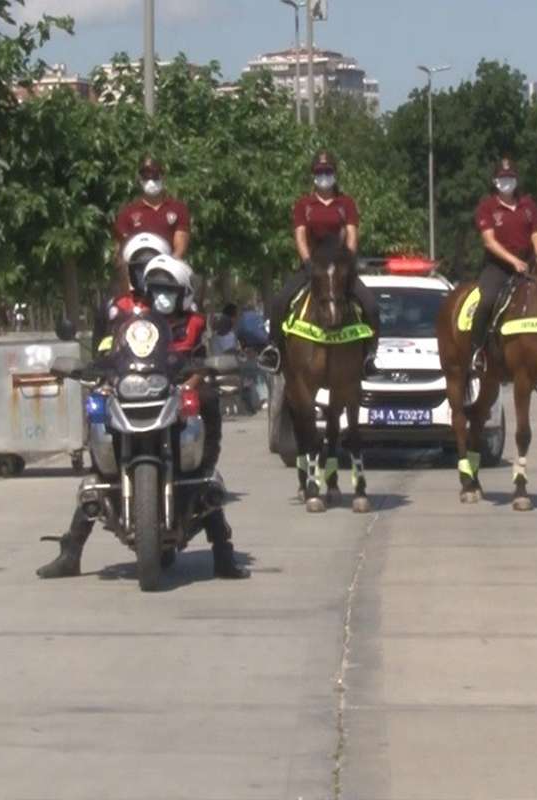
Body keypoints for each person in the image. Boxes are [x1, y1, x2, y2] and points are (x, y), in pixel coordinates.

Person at [38, 256, 249, 580]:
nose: (161, 295)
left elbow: (201, 359)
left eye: (169, 289)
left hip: (175, 389)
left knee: (203, 450)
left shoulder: (194, 322)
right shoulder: (133, 320)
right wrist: (100, 373)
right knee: (97, 437)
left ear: (184, 292)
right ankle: (71, 552)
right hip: (133, 390)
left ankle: (223, 551)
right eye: (156, 289)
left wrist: (197, 375)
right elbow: (112, 352)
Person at [259, 150, 379, 373]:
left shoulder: (346, 204)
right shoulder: (304, 204)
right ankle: (273, 349)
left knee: (370, 305)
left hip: (340, 269)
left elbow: (352, 234)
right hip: (313, 267)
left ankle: (369, 355)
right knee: (280, 301)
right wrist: (307, 261)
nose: (324, 175)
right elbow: (300, 235)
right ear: (313, 174)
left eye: (328, 171)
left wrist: (348, 261)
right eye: (320, 171)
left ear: (335, 174)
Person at [469, 158, 537, 375]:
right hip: (498, 267)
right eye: (502, 178)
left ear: (517, 180)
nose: (507, 182)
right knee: (486, 302)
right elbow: (489, 241)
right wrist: (514, 262)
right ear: (495, 181)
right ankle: (477, 351)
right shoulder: (487, 207)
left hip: (528, 265)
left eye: (510, 178)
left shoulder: (529, 205)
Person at [113, 155, 190, 293]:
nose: (151, 181)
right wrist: (127, 285)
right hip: (137, 278)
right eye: (146, 176)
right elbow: (120, 253)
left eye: (155, 176)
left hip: (167, 276)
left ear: (163, 177)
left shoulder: (178, 209)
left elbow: (180, 247)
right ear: (140, 180)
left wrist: (166, 270)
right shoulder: (127, 212)